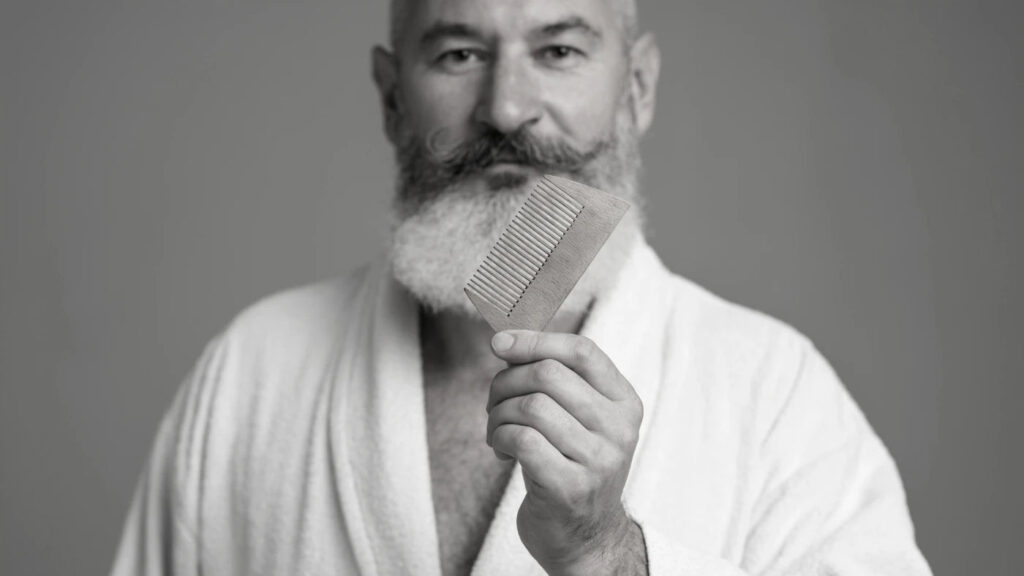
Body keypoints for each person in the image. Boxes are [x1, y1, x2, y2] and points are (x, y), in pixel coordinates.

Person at [111, 1, 933, 575]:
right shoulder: (256, 369)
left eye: (559, 50)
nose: (505, 108)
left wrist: (607, 554)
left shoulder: (775, 395)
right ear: (394, 98)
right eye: (459, 52)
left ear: (637, 88)